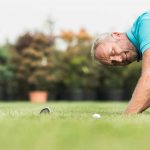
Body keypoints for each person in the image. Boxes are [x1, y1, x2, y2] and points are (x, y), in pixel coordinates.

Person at [91, 11, 150, 114]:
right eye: (114, 62)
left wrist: (127, 115)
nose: (119, 60)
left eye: (113, 52)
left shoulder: (145, 24)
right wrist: (134, 111)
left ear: (117, 35)